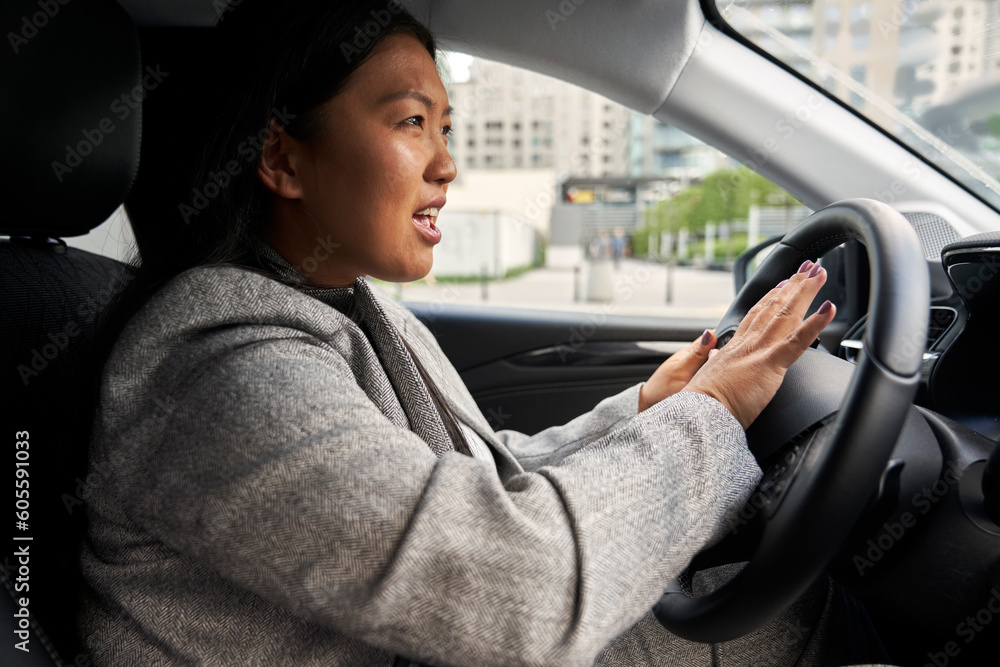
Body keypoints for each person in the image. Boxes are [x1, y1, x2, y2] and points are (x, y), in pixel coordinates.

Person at [78, 1, 885, 665]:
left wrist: (648, 406)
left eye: (446, 127)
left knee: (783, 612)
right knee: (803, 625)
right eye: (411, 121)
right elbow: (520, 591)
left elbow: (473, 480)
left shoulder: (344, 305)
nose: (446, 165)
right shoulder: (223, 367)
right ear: (283, 160)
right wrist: (713, 411)